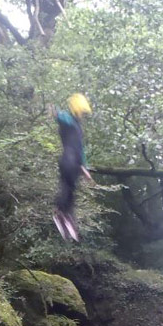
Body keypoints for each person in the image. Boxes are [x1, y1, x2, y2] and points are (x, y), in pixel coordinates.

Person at [53, 93, 92, 242]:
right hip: (69, 160)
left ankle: (66, 215)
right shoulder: (68, 120)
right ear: (77, 110)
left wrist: (85, 168)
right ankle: (61, 212)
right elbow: (61, 117)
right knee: (67, 187)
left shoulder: (77, 127)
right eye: (82, 112)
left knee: (71, 190)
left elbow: (80, 148)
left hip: (74, 162)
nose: (83, 115)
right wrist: (56, 113)